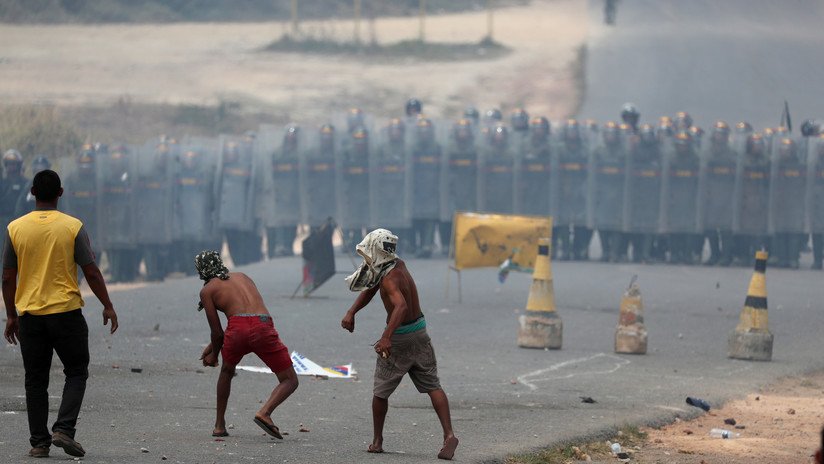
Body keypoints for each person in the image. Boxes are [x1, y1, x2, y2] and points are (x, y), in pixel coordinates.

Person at [3, 169, 118, 459]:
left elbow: (7, 277)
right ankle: (64, 429)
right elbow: (90, 270)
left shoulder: (15, 228)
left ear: (32, 192)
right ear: (61, 193)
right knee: (77, 371)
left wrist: (11, 316)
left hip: (30, 316)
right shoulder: (72, 226)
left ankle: (39, 443)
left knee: (35, 379)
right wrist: (107, 304)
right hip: (66, 313)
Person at [340, 229, 458, 460]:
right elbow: (372, 288)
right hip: (420, 333)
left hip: (400, 339)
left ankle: (377, 441)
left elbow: (400, 306)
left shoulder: (389, 278)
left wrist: (386, 337)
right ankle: (449, 435)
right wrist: (352, 311)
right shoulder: (397, 265)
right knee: (433, 385)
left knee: (380, 392)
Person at [195, 250, 298, 439]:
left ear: (201, 271)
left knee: (226, 372)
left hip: (236, 330)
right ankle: (265, 412)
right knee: (290, 380)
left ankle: (219, 425)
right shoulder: (243, 276)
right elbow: (247, 317)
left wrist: (214, 354)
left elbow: (218, 332)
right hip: (263, 325)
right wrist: (215, 345)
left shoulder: (207, 290)